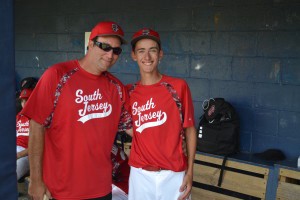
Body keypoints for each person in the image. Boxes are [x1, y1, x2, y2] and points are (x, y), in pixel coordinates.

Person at [21, 21, 132, 200]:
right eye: (104, 47)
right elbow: (36, 127)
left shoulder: (117, 88)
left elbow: (132, 129)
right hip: (60, 189)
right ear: (90, 44)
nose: (110, 55)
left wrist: (173, 141)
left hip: (101, 189)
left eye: (116, 50)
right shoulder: (57, 75)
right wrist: (35, 179)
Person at [126, 28, 197, 200]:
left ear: (161, 54)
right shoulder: (128, 92)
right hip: (140, 175)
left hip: (174, 175)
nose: (147, 57)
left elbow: (190, 130)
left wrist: (190, 172)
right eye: (141, 51)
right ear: (133, 55)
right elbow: (129, 127)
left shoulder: (178, 86)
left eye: (153, 50)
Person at [16, 88, 33, 180]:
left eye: (28, 100)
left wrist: (18, 155)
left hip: (28, 155)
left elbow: (37, 147)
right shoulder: (19, 116)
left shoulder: (38, 118)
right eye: (22, 100)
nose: (24, 103)